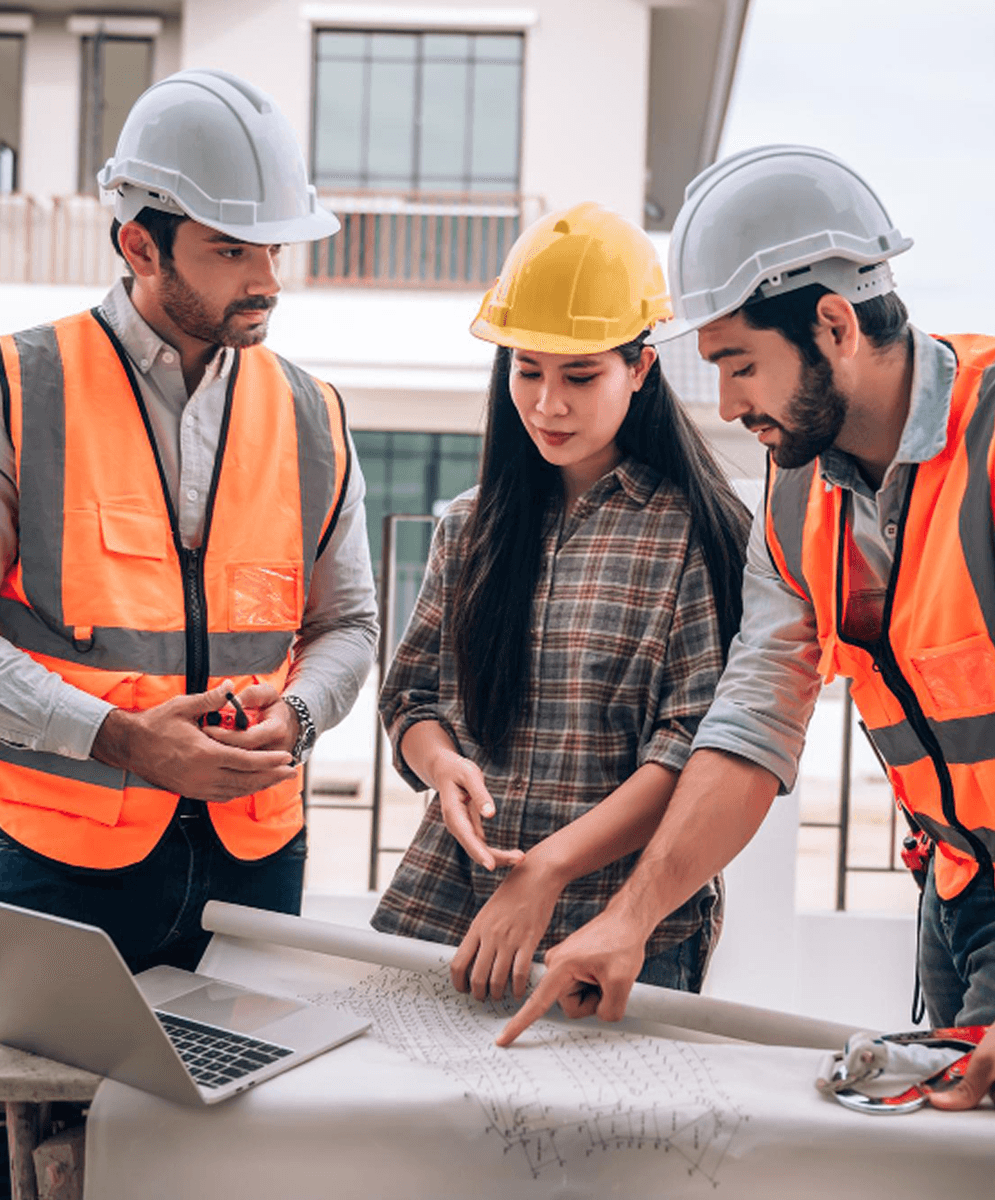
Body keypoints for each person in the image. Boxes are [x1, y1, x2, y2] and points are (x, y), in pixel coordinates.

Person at [498, 146, 995, 1119]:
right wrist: (628, 921)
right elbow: (749, 726)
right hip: (964, 887)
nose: (730, 405)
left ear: (834, 325)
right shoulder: (798, 490)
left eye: (741, 366)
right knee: (953, 1157)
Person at [0, 69, 378, 971]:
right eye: (231, 251)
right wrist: (120, 741)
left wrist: (299, 711)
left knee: (237, 1103)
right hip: (58, 864)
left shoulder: (312, 414)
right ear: (140, 245)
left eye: (275, 251)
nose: (267, 281)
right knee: (51, 1113)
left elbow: (349, 624)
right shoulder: (19, 391)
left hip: (257, 862)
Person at [370, 202, 750, 1002]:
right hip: (455, 908)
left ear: (641, 369)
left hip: (617, 932)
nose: (547, 405)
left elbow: (689, 751)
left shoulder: (696, 537)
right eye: (526, 371)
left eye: (581, 376)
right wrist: (444, 769)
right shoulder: (469, 526)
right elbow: (411, 697)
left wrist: (547, 868)